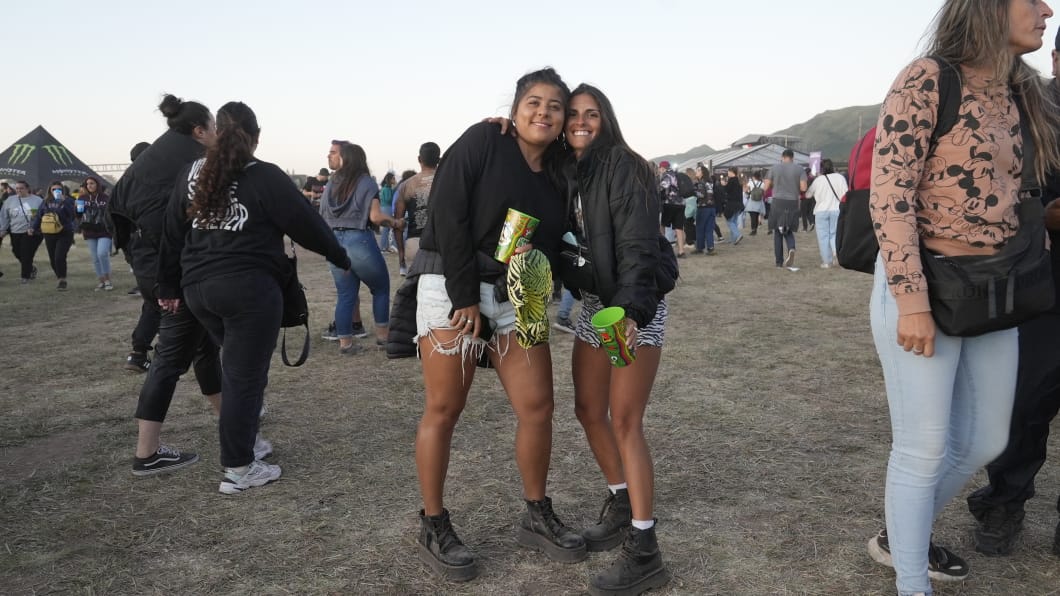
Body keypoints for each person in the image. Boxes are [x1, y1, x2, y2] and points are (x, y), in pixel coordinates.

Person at [866, 1, 1060, 594]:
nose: (1047, 9)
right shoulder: (929, 78)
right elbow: (890, 195)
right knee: (923, 446)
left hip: (996, 288)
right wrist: (912, 303)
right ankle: (910, 581)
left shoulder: (1024, 92)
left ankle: (902, 530)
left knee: (985, 439)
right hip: (926, 283)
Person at [408, 67, 584, 582]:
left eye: (555, 106)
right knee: (444, 407)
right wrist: (465, 297)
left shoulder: (558, 170)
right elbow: (447, 213)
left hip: (522, 290)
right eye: (533, 102)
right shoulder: (485, 138)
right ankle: (434, 524)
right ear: (514, 108)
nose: (543, 112)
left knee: (538, 406)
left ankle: (536, 513)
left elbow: (556, 239)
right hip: (452, 285)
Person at [158, 101, 352, 494]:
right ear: (256, 136)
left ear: (216, 132)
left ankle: (248, 443)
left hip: (199, 289)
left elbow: (171, 232)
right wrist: (340, 256)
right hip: (248, 289)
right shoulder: (263, 175)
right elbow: (305, 223)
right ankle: (239, 467)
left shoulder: (190, 174)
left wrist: (168, 285)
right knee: (245, 378)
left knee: (239, 371)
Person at [562, 83, 671, 596]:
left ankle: (646, 548)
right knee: (588, 409)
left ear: (606, 119)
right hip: (594, 305)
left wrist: (630, 311)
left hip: (632, 306)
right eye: (573, 115)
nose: (581, 122)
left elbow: (637, 243)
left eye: (591, 114)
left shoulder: (625, 165)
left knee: (626, 419)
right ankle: (622, 499)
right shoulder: (568, 170)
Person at [965, 25, 1060, 559]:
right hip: (1041, 286)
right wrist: (1042, 212)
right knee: (1025, 404)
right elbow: (1002, 189)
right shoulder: (1031, 105)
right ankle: (1005, 502)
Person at [110, 94, 225, 474]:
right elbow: (170, 222)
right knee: (172, 354)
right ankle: (147, 452)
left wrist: (139, 264)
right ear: (199, 130)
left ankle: (232, 416)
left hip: (150, 264)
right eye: (213, 127)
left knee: (203, 344)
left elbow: (117, 208)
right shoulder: (191, 160)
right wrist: (167, 281)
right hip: (168, 267)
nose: (217, 134)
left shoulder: (154, 156)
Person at [319, 141, 402, 354]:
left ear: (346, 157)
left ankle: (345, 343)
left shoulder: (330, 183)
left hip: (334, 242)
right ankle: (383, 336)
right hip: (359, 240)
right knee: (380, 287)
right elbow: (375, 216)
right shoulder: (366, 182)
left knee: (345, 294)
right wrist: (394, 222)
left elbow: (321, 216)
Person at [394, 142, 440, 276]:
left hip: (415, 243)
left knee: (414, 289)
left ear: (419, 159)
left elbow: (398, 223)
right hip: (443, 243)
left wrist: (401, 255)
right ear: (438, 159)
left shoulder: (407, 185)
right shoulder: (449, 180)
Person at [764, 149, 806, 268]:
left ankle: (778, 261)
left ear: (782, 157)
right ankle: (791, 248)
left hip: (777, 201)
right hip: (793, 202)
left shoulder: (774, 168)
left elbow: (766, 186)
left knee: (778, 231)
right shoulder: (800, 169)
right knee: (788, 228)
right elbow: (803, 188)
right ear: (793, 157)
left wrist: (773, 184)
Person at [31, 181, 76, 291]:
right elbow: (38, 216)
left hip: (65, 232)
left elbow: (72, 215)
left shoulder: (68, 200)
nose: (56, 191)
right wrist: (32, 227)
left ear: (62, 190)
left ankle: (62, 280)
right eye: (54, 189)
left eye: (59, 189)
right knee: (53, 259)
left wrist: (64, 202)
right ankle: (59, 276)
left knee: (59, 256)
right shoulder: (45, 201)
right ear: (50, 190)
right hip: (49, 232)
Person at [804, 159, 846, 268]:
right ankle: (836, 252)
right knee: (835, 234)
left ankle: (827, 262)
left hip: (821, 210)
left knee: (823, 237)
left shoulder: (818, 180)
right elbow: (846, 194)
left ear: (821, 168)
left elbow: (808, 195)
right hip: (836, 209)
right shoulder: (840, 178)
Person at [0, 180, 43, 283]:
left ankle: (25, 277)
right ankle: (31, 268)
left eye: (21, 188)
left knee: (26, 253)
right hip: (15, 231)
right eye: (17, 188)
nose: (19, 190)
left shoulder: (38, 200)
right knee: (16, 252)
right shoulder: (10, 200)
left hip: (31, 232)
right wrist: (2, 229)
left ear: (27, 189)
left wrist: (35, 227)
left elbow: (42, 215)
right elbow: (4, 216)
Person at [78, 176, 114, 290]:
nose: (90, 186)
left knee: (102, 253)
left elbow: (111, 213)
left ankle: (108, 280)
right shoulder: (82, 198)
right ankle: (101, 281)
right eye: (88, 184)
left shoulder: (106, 197)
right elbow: (78, 215)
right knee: (95, 258)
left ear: (97, 185)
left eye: (92, 183)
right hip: (89, 231)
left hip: (104, 230)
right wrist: (77, 208)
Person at [657, 161, 687, 257]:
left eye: (660, 168)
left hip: (670, 203)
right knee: (679, 228)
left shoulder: (667, 175)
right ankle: (681, 251)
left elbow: (663, 187)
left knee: (663, 225)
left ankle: (662, 248)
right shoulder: (678, 174)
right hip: (681, 204)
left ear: (662, 168)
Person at [693, 165, 717, 255]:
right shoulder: (710, 181)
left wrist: (693, 191)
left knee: (699, 228)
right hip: (712, 207)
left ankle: (700, 247)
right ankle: (710, 248)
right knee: (709, 229)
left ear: (702, 172)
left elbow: (702, 195)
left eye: (698, 171)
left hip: (703, 207)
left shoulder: (701, 182)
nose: (696, 172)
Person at [722, 167, 744, 245]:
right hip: (739, 204)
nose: (728, 173)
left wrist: (724, 185)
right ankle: (733, 239)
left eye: (728, 171)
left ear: (731, 172)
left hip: (732, 204)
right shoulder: (738, 181)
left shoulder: (732, 180)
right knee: (734, 221)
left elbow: (727, 190)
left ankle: (738, 235)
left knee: (729, 221)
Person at [377, 171, 398, 252]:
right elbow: (389, 199)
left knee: (387, 229)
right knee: (386, 228)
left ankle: (385, 246)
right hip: (387, 208)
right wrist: (394, 190)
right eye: (393, 178)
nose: (394, 180)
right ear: (390, 179)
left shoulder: (384, 188)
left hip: (384, 208)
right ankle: (383, 247)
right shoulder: (387, 189)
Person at [744, 171, 767, 235]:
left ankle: (753, 229)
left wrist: (748, 192)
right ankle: (755, 229)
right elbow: (764, 192)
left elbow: (745, 190)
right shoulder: (762, 183)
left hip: (752, 200)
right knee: (756, 215)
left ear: (754, 177)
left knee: (752, 215)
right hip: (759, 201)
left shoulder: (750, 182)